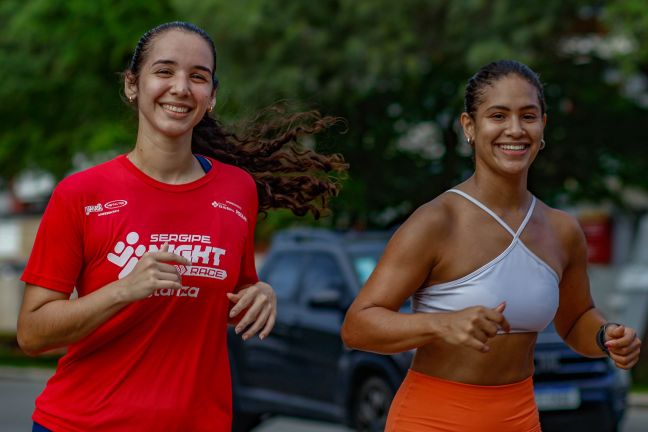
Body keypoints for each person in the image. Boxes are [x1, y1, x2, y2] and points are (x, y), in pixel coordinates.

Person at [17, 21, 346, 432]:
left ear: (211, 97)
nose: (180, 87)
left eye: (198, 77)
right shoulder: (82, 194)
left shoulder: (237, 190)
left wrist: (257, 294)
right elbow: (32, 334)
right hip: (82, 422)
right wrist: (123, 290)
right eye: (164, 71)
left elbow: (227, 298)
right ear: (132, 85)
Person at [340, 59, 641, 432]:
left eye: (528, 116)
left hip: (520, 419)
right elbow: (357, 326)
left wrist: (606, 336)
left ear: (543, 126)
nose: (514, 130)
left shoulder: (562, 230)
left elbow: (576, 320)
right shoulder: (437, 221)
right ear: (470, 126)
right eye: (498, 116)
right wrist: (441, 324)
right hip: (433, 418)